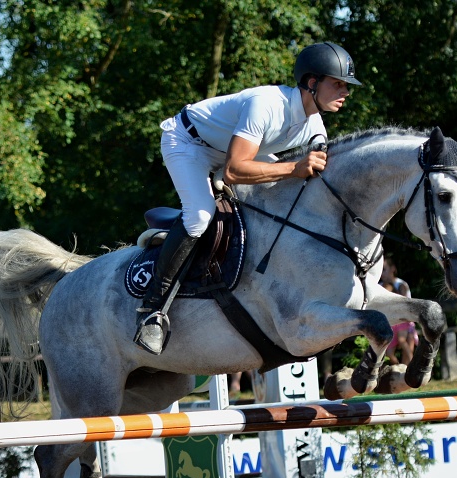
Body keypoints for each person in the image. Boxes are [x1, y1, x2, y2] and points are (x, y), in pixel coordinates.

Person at [134, 42, 362, 355]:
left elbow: (319, 170)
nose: (345, 92)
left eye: (345, 86)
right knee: (200, 217)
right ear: (312, 83)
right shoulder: (266, 104)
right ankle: (152, 310)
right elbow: (234, 170)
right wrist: (294, 168)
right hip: (189, 142)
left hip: (230, 151)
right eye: (337, 84)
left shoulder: (314, 124)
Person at [380, 257, 418, 366]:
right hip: (390, 324)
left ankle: (411, 369)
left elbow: (404, 302)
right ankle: (399, 369)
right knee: (389, 353)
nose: (381, 273)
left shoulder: (401, 284)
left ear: (393, 269)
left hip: (405, 320)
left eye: (384, 269)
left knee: (407, 343)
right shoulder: (379, 286)